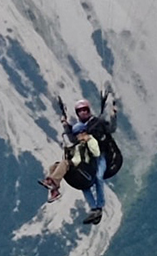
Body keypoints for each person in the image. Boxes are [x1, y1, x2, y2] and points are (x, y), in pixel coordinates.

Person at [41, 87, 120, 224]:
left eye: (85, 110)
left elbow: (111, 129)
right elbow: (73, 139)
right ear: (78, 113)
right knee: (83, 181)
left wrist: (113, 116)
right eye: (80, 111)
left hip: (100, 155)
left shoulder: (97, 123)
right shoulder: (79, 128)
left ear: (89, 111)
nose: (83, 112)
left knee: (98, 178)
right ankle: (93, 209)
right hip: (85, 158)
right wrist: (66, 125)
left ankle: (99, 206)